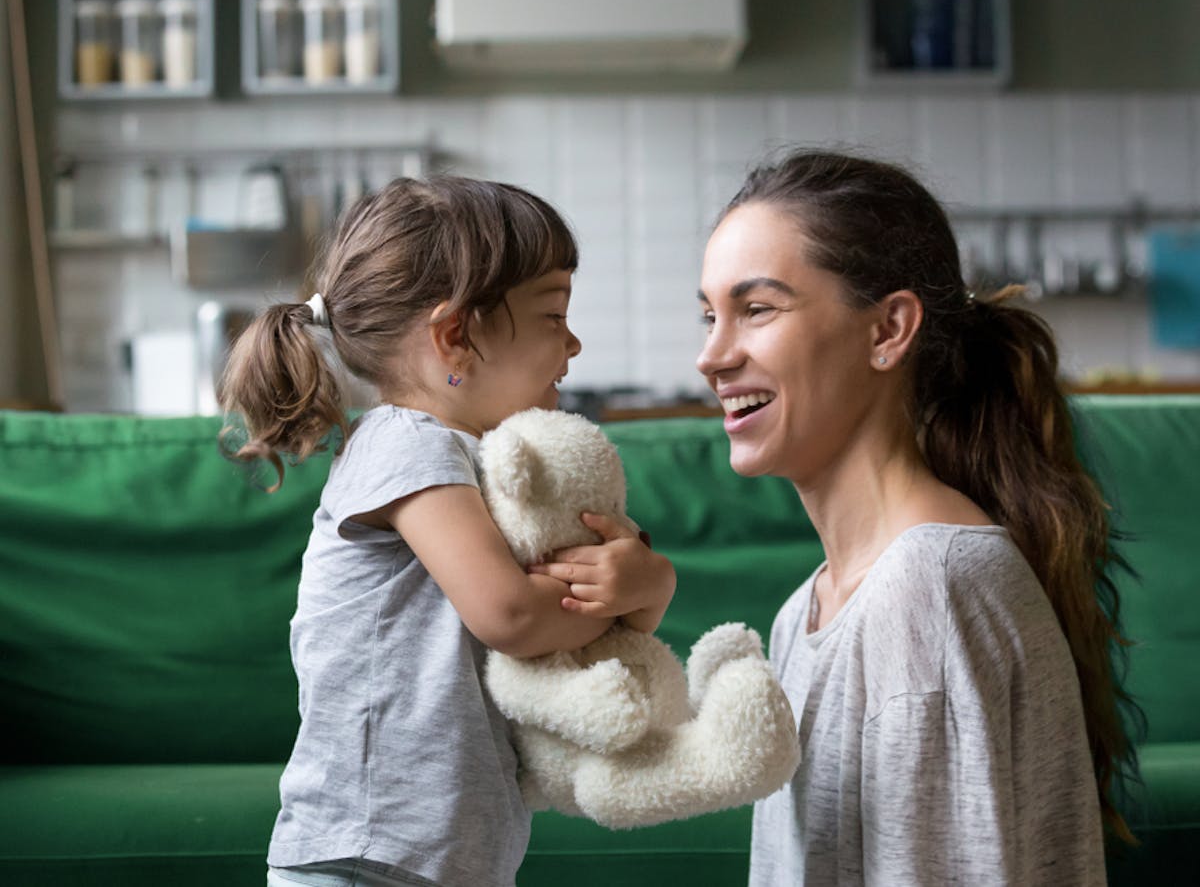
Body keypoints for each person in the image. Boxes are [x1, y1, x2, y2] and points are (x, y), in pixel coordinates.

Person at [695, 149, 1140, 886]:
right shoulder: (803, 612)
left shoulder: (927, 590)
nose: (712, 355)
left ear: (888, 330)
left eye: (758, 309)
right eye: (710, 315)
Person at [219, 175, 676, 887]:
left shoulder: (485, 463)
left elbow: (588, 618)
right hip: (363, 854)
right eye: (554, 315)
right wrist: (637, 589)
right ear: (456, 336)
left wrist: (643, 583)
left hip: (445, 855)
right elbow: (514, 615)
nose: (575, 342)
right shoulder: (406, 444)